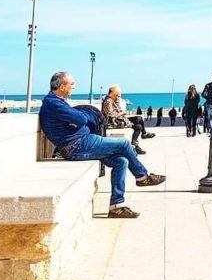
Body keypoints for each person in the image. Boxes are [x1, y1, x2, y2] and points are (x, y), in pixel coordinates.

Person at [40, 71, 164, 219]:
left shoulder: (56, 101)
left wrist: (77, 117)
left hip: (81, 142)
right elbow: (80, 118)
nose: (73, 87)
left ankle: (116, 207)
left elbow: (78, 118)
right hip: (76, 146)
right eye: (71, 84)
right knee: (124, 144)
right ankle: (142, 177)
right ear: (61, 87)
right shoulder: (53, 103)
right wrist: (79, 117)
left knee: (121, 161)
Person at [101, 85, 154, 154]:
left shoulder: (112, 100)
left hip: (120, 119)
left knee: (139, 121)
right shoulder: (108, 101)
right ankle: (139, 140)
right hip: (114, 122)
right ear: (113, 93)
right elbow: (110, 115)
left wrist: (118, 104)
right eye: (117, 95)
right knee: (138, 126)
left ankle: (138, 141)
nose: (118, 97)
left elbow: (116, 111)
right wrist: (122, 112)